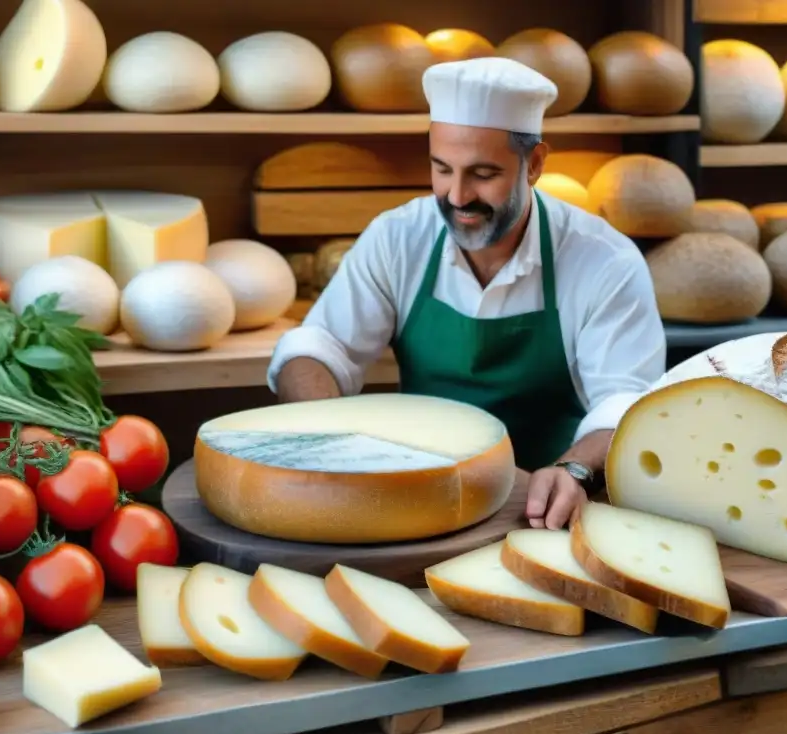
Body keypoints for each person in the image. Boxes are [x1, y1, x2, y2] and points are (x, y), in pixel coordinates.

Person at [268, 57, 665, 531]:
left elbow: (626, 405)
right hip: (419, 501)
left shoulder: (604, 260)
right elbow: (319, 347)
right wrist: (328, 439)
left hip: (546, 511)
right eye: (442, 169)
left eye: (482, 174)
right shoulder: (399, 237)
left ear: (534, 164)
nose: (456, 196)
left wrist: (573, 471)